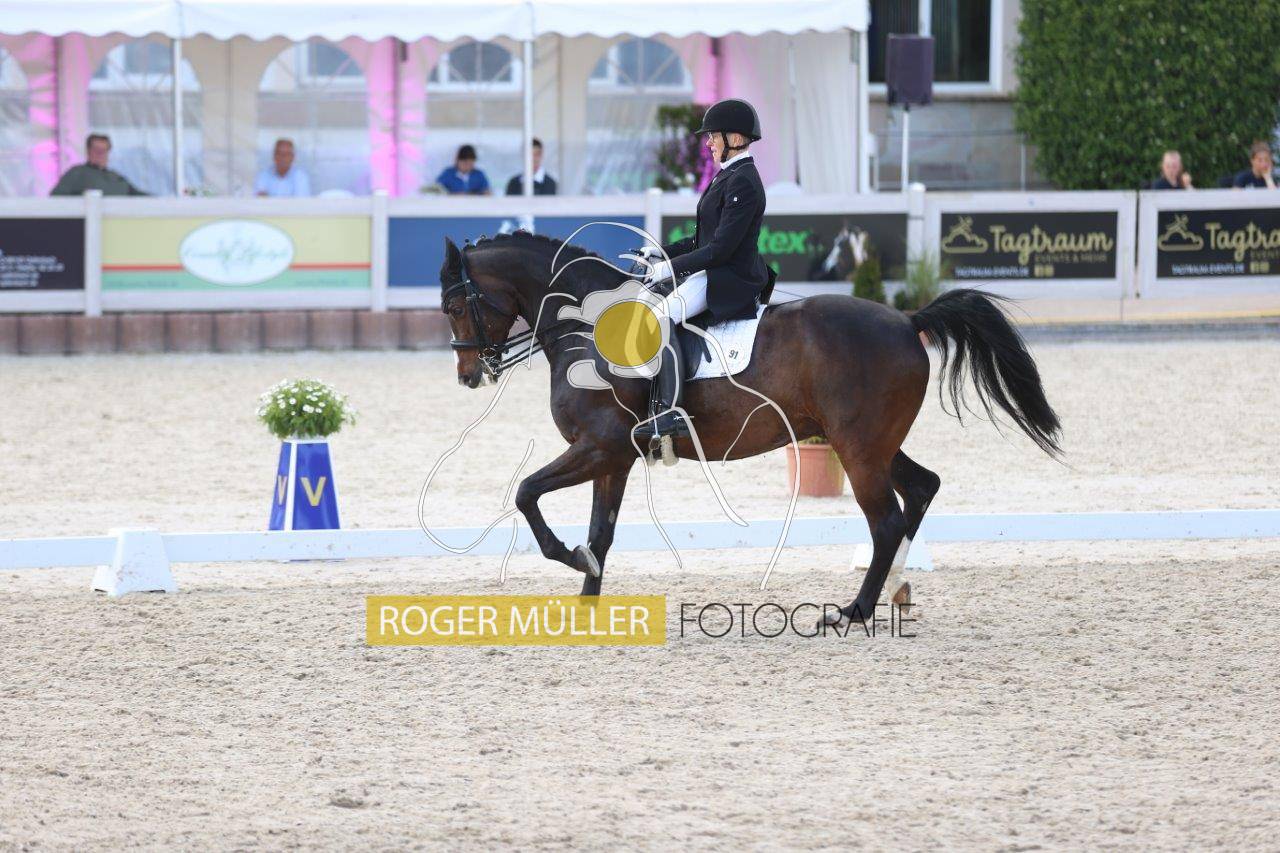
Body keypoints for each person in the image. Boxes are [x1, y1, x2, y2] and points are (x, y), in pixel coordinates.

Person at [630, 98, 774, 452]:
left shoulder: (744, 182)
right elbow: (701, 240)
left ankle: (670, 412)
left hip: (729, 277)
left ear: (735, 138)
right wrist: (660, 252)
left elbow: (720, 249)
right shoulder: (728, 176)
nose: (708, 142)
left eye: (713, 136)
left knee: (661, 317)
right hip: (714, 270)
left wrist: (669, 269)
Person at [50, 134, 147, 196]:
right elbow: (57, 197)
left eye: (104, 150)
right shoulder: (76, 173)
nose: (100, 154)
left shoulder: (116, 177)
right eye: (97, 150)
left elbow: (138, 196)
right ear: (88, 151)